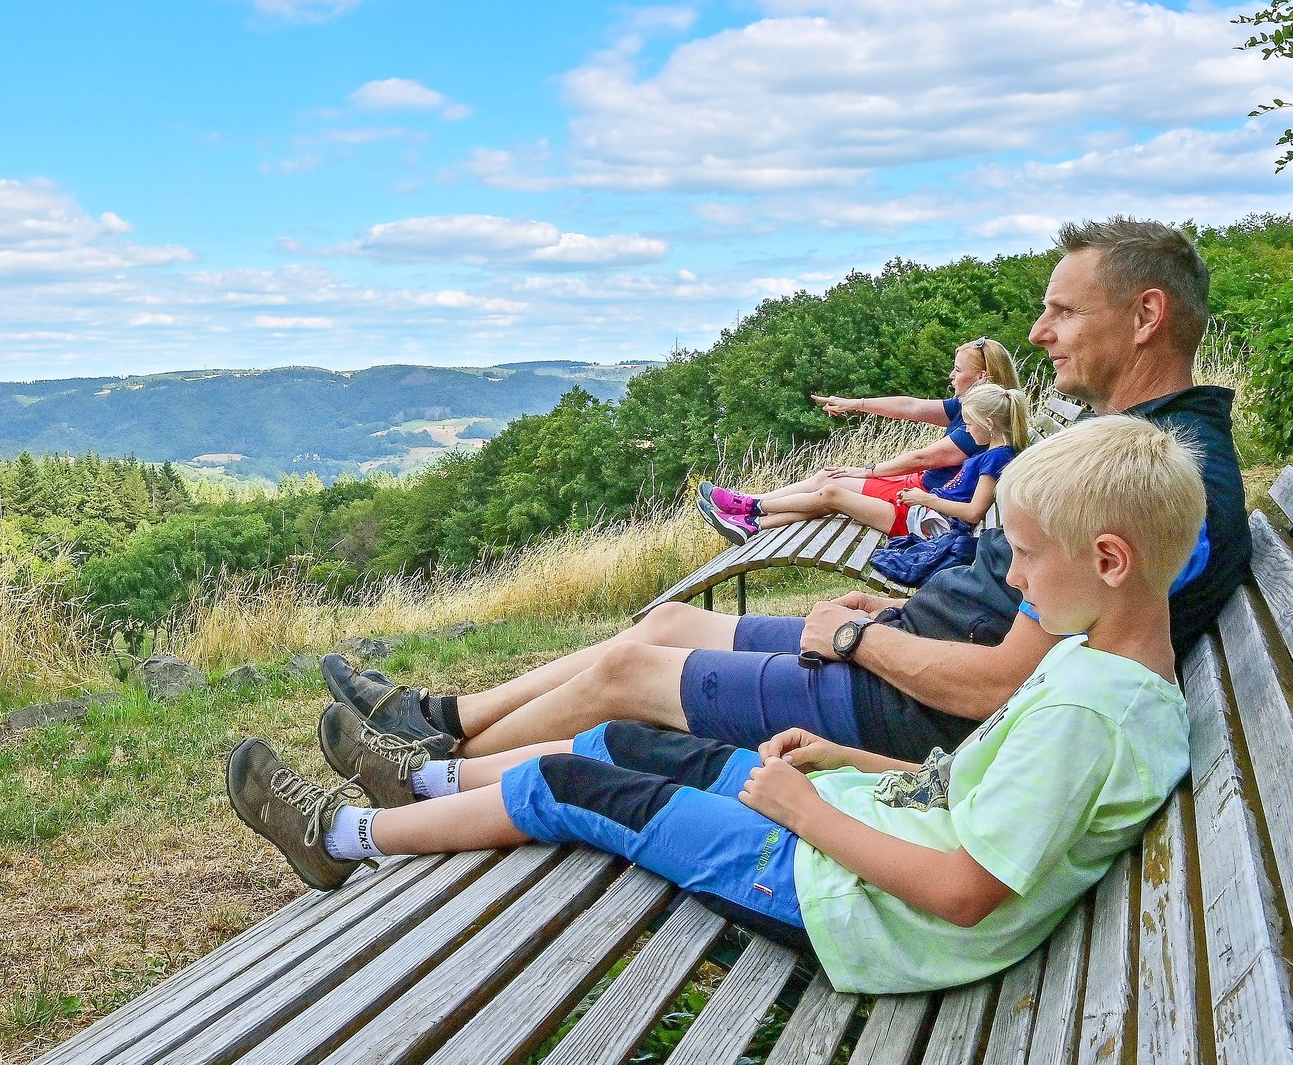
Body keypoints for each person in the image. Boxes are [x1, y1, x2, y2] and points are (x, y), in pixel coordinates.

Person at [229, 417, 1199, 996]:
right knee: (619, 736)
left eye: (1024, 557)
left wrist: (807, 812)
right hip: (855, 827)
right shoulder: (1106, 679)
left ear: (1106, 561)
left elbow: (963, 892)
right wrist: (847, 765)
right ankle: (426, 775)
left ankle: (350, 835)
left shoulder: (1088, 713)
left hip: (839, 899)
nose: (1013, 577)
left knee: (577, 781)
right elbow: (980, 795)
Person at [320, 218, 1248, 766]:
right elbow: (1009, 589)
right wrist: (894, 612)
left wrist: (862, 638)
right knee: (659, 626)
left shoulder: (1168, 476)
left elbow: (1012, 680)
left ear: (1146, 315)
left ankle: (430, 768)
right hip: (909, 654)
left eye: (1063, 310)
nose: (1039, 332)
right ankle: (440, 719)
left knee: (625, 675)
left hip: (912, 708)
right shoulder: (1132, 446)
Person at [697, 337, 1020, 541]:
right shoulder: (982, 411)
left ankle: (749, 507)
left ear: (981, 377)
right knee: (829, 487)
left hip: (919, 494)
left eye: (957, 369)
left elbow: (922, 458)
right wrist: (856, 404)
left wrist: (866, 471)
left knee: (831, 485)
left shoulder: (980, 425)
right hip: (922, 493)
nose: (951, 375)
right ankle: (750, 520)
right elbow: (912, 406)